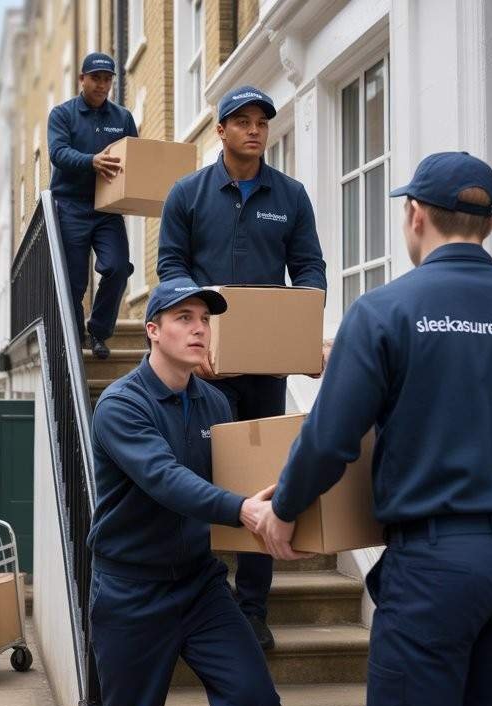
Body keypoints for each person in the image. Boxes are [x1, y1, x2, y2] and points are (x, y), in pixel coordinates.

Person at [255, 152, 492, 706]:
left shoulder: (384, 312)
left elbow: (330, 438)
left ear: (414, 215)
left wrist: (284, 509)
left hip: (437, 563)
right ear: (490, 225)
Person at [157, 84, 328, 649]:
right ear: (221, 131)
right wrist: (197, 335)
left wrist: (301, 335)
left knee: (262, 482)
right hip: (204, 369)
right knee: (201, 473)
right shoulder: (188, 193)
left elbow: (308, 270)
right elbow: (171, 267)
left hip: (265, 369)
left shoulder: (292, 195)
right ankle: (200, 597)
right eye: (243, 120)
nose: (255, 129)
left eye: (262, 121)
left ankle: (251, 608)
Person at [87, 277, 282, 706]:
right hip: (131, 589)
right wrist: (242, 510)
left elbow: (240, 481)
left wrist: (288, 519)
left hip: (199, 584)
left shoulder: (215, 403)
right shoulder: (120, 405)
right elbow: (166, 479)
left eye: (205, 320)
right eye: (184, 318)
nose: (200, 329)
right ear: (152, 330)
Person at [47, 51, 138, 359]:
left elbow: (134, 156)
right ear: (81, 79)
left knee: (117, 268)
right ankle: (74, 339)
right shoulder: (62, 115)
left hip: (107, 208)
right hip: (70, 206)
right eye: (95, 78)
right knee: (73, 283)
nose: (101, 85)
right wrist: (92, 161)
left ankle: (98, 330)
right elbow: (58, 153)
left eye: (107, 79)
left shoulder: (122, 118)